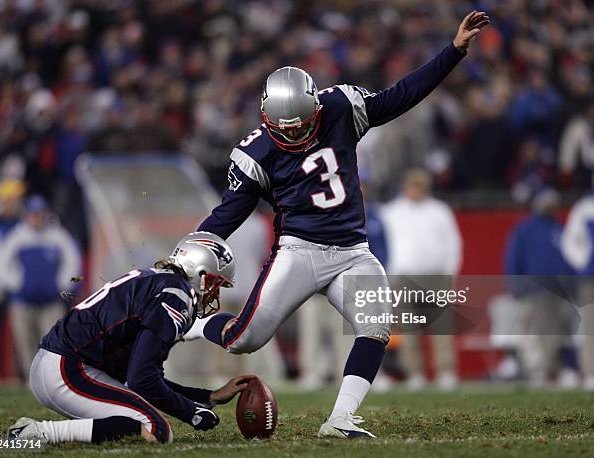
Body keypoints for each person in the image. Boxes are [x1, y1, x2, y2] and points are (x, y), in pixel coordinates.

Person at [186, 12, 489, 438]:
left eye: (302, 126)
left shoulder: (342, 107)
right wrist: (187, 253)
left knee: (376, 326)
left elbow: (403, 94)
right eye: (283, 130)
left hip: (352, 251)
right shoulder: (255, 153)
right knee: (244, 340)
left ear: (314, 106)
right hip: (299, 251)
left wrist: (453, 51)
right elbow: (227, 215)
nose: (293, 135)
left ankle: (340, 418)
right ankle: (192, 325)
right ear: (266, 117)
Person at [7, 232, 252, 444]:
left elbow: (144, 376)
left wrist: (206, 397)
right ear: (200, 273)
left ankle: (36, 432)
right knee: (157, 429)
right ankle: (36, 432)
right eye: (214, 284)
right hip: (68, 370)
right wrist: (191, 413)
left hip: (63, 365)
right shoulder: (175, 294)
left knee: (143, 420)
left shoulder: (159, 281)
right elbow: (142, 379)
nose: (214, 293)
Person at [380, 168, 463, 391]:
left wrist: (451, 273)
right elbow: (382, 244)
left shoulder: (440, 211)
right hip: (402, 276)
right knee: (408, 327)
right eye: (413, 184)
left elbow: (453, 244)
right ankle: (414, 372)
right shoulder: (391, 212)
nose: (417, 189)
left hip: (435, 275)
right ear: (406, 186)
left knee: (441, 326)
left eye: (421, 185)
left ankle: (445, 371)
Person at [0, 195, 81, 380]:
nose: (36, 217)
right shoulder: (17, 236)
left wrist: (63, 286)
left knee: (54, 343)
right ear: (27, 215)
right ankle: (30, 380)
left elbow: (74, 265)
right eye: (33, 214)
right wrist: (16, 284)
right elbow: (1, 265)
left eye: (39, 214)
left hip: (51, 302)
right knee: (25, 343)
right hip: (23, 301)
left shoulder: (58, 236)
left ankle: (52, 379)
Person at [504, 189, 576, 387]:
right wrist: (516, 285)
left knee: (559, 331)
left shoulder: (560, 229)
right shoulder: (526, 229)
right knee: (535, 332)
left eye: (553, 203)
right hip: (534, 289)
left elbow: (570, 261)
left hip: (559, 291)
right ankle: (538, 370)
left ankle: (557, 369)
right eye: (546, 202)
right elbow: (513, 259)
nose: (550, 206)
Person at [561, 190, 594, 390]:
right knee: (590, 325)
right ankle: (590, 372)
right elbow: (569, 242)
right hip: (590, 279)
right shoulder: (584, 208)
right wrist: (583, 264)